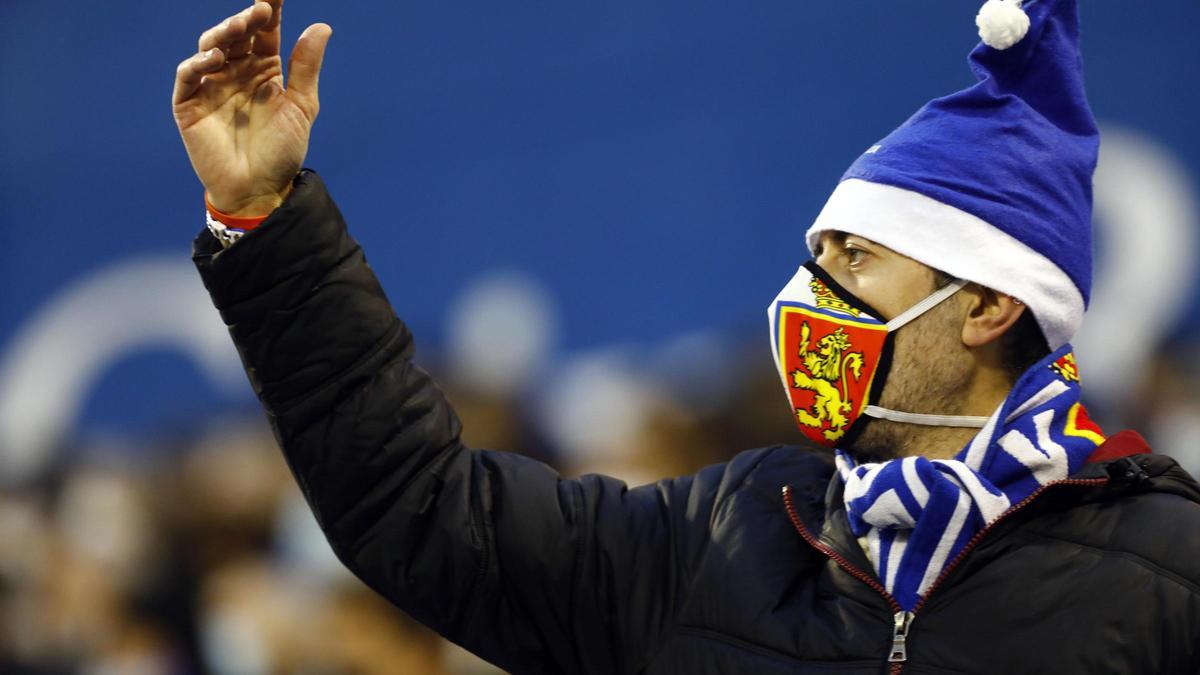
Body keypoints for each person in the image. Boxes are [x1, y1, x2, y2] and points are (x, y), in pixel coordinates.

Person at [173, 0, 1200, 672]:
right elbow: (424, 509)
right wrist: (264, 220)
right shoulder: (725, 533)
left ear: (987, 307)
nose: (809, 298)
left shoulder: (1169, 571)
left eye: (855, 262)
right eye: (818, 257)